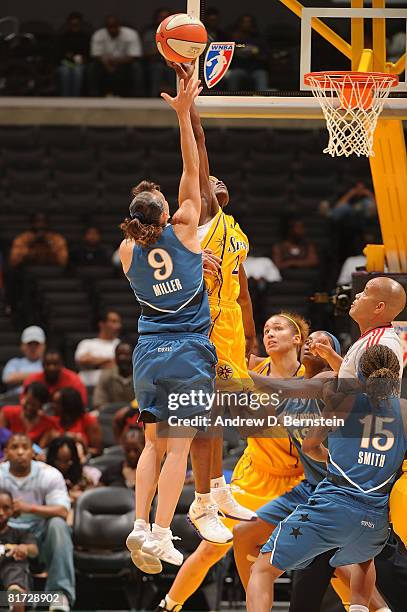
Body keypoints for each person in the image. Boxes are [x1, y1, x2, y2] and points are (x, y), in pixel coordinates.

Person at [120, 77, 218, 571]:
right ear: (166, 211)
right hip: (187, 352)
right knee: (179, 448)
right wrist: (184, 113)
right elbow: (193, 168)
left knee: (151, 446)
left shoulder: (125, 253)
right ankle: (160, 533)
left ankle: (138, 525)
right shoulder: (185, 227)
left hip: (146, 355)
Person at [155, 312, 309, 612]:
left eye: (278, 328)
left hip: (298, 481)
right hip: (255, 474)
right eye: (267, 329)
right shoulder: (250, 367)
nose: (270, 334)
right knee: (212, 548)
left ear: (297, 339)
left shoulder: (311, 377)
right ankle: (168, 606)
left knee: (329, 553)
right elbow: (242, 331)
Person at [167, 61, 257, 548]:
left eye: (220, 182)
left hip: (229, 329)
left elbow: (242, 289)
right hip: (201, 323)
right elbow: (199, 152)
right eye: (208, 181)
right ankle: (202, 500)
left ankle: (218, 490)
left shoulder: (237, 230)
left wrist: (252, 332)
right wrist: (190, 108)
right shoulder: (202, 214)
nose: (213, 182)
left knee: (221, 415)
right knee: (205, 416)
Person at [247, 344, 407, 612]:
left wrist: (333, 457)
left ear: (358, 371)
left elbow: (310, 447)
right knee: (364, 559)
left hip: (334, 506)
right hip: (376, 520)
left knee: (262, 570)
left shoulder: (342, 398)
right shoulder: (403, 409)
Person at [0, 434, 74, 611]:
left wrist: (28, 508)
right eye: (14, 447)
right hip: (4, 534)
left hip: (40, 535)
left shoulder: (49, 474)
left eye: (24, 448)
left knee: (59, 525)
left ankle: (59, 595)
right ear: (6, 453)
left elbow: (63, 511)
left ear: (32, 452)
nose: (20, 452)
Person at [0, 487, 39, 612]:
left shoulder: (20, 533)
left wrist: (23, 548)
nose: (1, 512)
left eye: (6, 508)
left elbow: (34, 550)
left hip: (11, 575)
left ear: (12, 510)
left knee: (16, 564)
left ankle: (16, 596)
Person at [46, 436, 100, 524]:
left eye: (68, 461)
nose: (64, 465)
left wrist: (82, 496)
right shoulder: (44, 476)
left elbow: (92, 499)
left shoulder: (84, 477)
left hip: (79, 519)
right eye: (60, 461)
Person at [88, 15, 143, 97]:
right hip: (104, 63)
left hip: (125, 63)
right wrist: (107, 64)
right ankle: (94, 95)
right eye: (110, 27)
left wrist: (115, 62)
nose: (112, 29)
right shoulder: (98, 35)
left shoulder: (131, 34)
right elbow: (96, 55)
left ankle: (136, 95)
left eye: (114, 26)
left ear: (119, 26)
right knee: (92, 67)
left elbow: (135, 56)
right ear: (106, 27)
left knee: (136, 67)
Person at [0, 382, 59, 447]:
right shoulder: (7, 412)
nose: (29, 407)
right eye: (27, 402)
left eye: (33, 405)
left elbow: (40, 452)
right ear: (23, 397)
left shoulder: (48, 424)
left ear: (41, 406)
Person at [74, 311, 122, 387]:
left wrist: (94, 362)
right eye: (113, 322)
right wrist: (108, 360)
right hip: (85, 386)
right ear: (102, 324)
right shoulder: (87, 343)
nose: (118, 326)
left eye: (118, 322)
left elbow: (120, 366)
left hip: (111, 389)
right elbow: (83, 360)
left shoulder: (121, 345)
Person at [49, 388, 102, 455]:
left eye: (57, 403)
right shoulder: (52, 421)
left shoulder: (88, 420)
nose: (52, 406)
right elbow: (37, 448)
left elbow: (98, 451)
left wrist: (82, 444)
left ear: (68, 405)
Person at [224, 14, 269, 91]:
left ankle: (263, 101)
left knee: (262, 75)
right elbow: (232, 49)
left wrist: (255, 51)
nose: (246, 24)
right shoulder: (235, 37)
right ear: (240, 24)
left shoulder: (258, 38)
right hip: (239, 68)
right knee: (234, 75)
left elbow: (266, 56)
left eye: (249, 22)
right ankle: (230, 100)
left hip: (256, 69)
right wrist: (241, 49)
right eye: (244, 22)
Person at [2, 326, 46, 394]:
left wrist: (21, 377)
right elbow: (7, 378)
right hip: (15, 400)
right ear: (22, 346)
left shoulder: (49, 363)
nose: (33, 348)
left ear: (44, 346)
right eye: (29, 344)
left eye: (36, 344)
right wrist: (41, 376)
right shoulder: (14, 362)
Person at [142, 8, 175, 97]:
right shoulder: (149, 33)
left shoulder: (176, 32)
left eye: (166, 17)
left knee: (175, 68)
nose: (163, 20)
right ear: (155, 18)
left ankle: (178, 98)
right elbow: (146, 54)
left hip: (172, 61)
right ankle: (153, 98)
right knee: (157, 68)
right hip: (154, 62)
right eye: (161, 17)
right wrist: (162, 50)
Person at [92, 341, 134, 410]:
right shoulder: (105, 375)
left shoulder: (142, 376)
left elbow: (147, 403)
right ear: (115, 357)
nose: (122, 358)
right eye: (119, 355)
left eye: (126, 355)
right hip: (110, 415)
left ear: (134, 356)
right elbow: (98, 404)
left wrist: (128, 410)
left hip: (136, 415)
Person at [56, 12, 90, 97]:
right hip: (66, 63)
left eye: (76, 25)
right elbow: (59, 55)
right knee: (65, 72)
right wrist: (66, 58)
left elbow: (88, 54)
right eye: (72, 25)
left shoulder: (85, 37)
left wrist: (84, 59)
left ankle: (75, 99)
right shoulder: (63, 37)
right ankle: (65, 98)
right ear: (69, 24)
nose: (74, 27)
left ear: (80, 24)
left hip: (80, 64)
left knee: (77, 72)